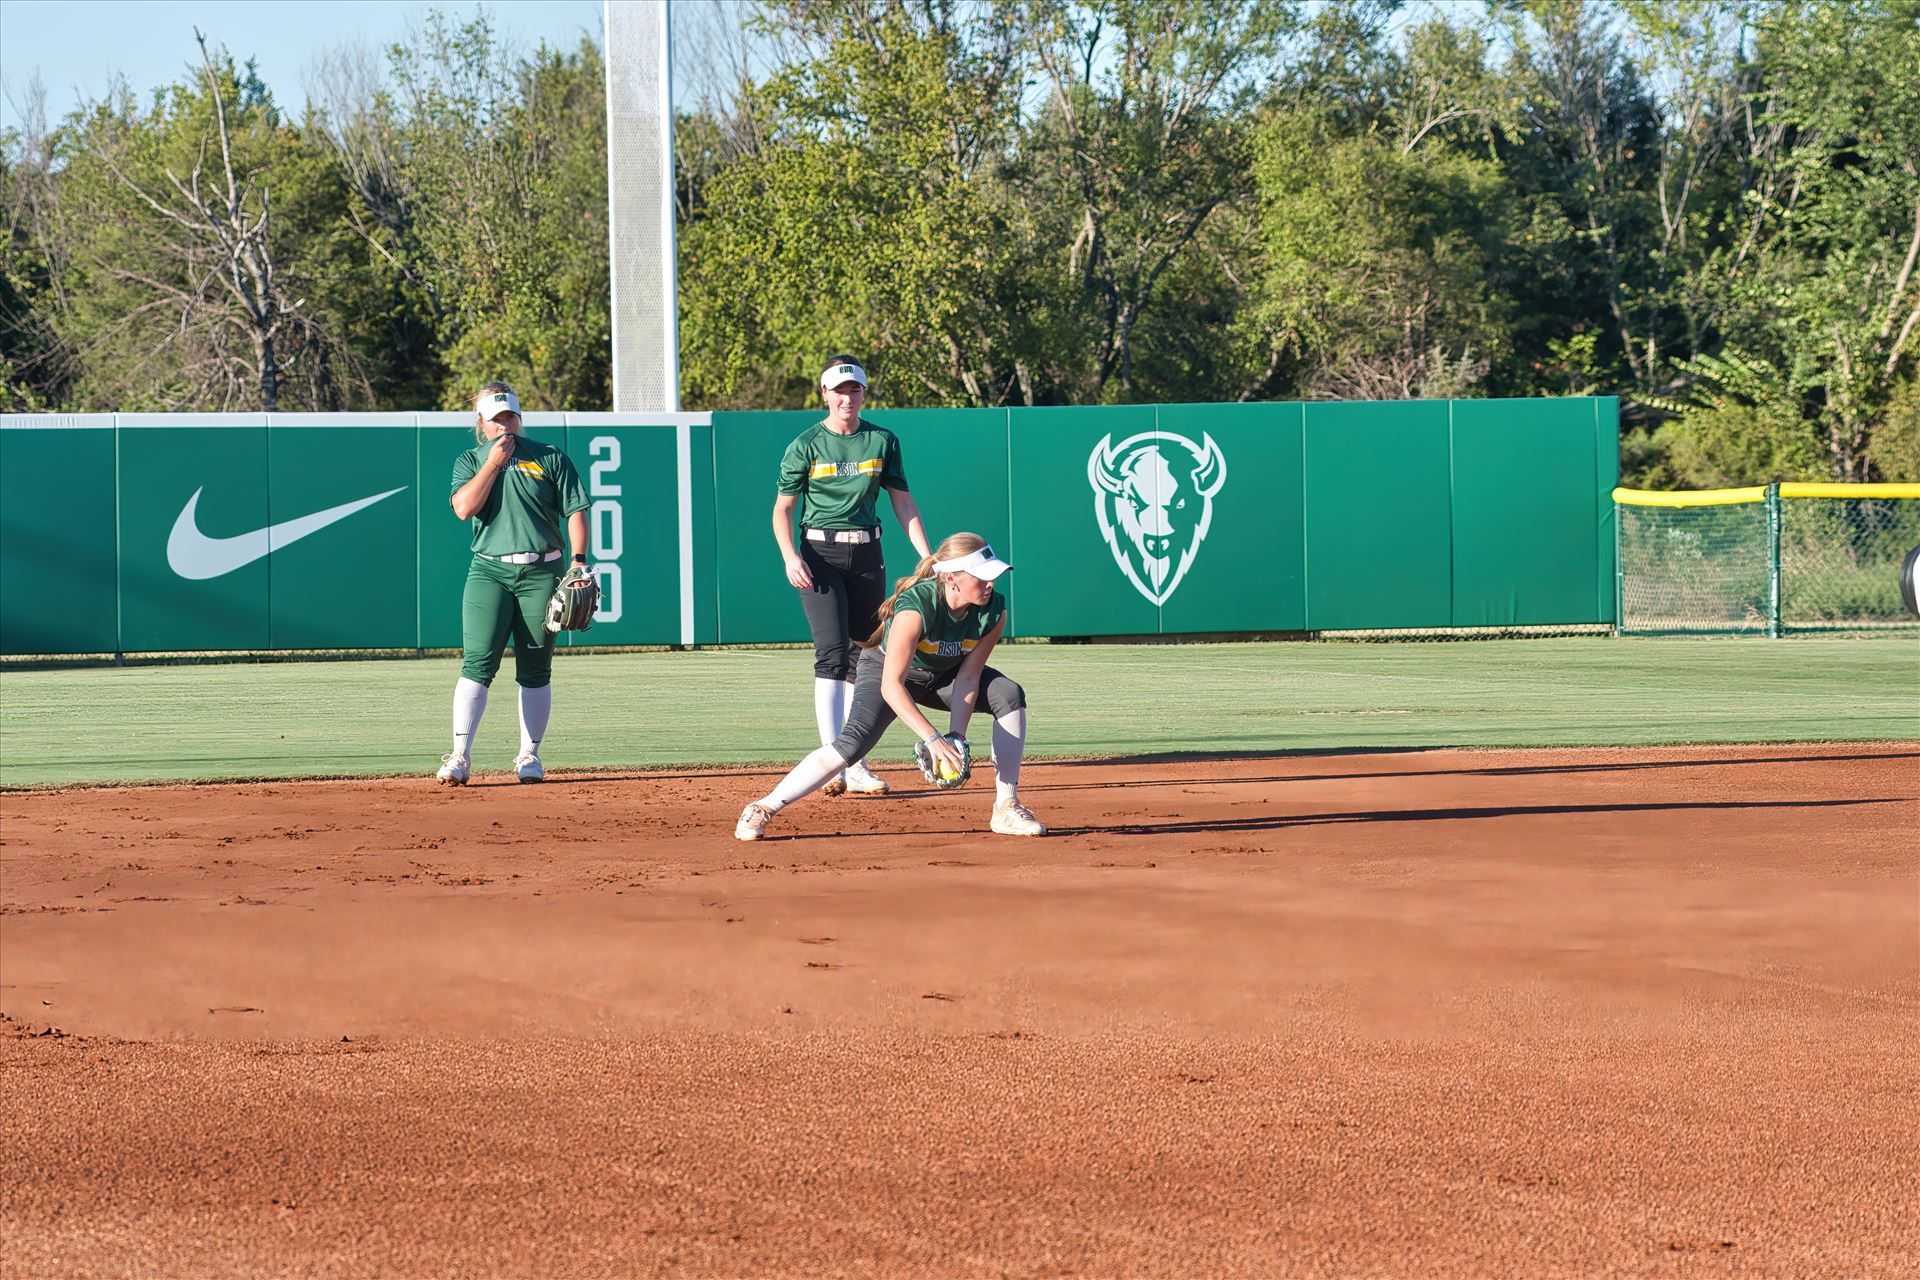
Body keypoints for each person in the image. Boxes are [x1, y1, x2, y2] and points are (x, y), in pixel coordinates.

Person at [736, 532, 1047, 840]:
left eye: (993, 576)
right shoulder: (917, 606)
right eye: (981, 577)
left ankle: (1006, 806)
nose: (990, 584)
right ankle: (763, 807)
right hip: (890, 674)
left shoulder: (993, 610)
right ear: (952, 578)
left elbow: (968, 676)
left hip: (945, 678)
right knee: (854, 742)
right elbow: (891, 685)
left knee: (1008, 694)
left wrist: (956, 738)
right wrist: (933, 739)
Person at [773, 355, 931, 797]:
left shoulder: (882, 440)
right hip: (818, 554)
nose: (847, 397)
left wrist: (926, 556)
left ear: (864, 393)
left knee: (867, 654)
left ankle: (856, 761)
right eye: (839, 390)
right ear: (824, 393)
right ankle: (833, 762)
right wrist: (790, 556)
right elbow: (783, 508)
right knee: (831, 655)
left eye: (854, 389)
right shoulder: (805, 445)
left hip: (867, 553)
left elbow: (902, 500)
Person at [435, 382, 590, 785]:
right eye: (496, 419)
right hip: (489, 571)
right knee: (476, 664)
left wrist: (577, 563)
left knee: (536, 668)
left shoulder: (550, 456)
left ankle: (528, 756)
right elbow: (464, 508)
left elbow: (576, 510)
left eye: (510, 417)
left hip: (543, 571)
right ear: (483, 424)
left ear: (519, 418)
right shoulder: (470, 461)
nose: (504, 425)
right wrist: (492, 464)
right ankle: (459, 757)